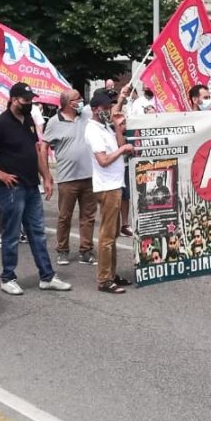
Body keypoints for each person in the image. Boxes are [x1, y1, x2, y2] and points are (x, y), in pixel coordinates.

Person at [0, 83, 70, 295]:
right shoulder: (2, 122)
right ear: (14, 99)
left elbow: (34, 151)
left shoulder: (27, 120)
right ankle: (8, 277)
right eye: (26, 100)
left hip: (30, 185)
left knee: (37, 233)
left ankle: (47, 276)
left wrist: (46, 176)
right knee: (11, 235)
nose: (29, 103)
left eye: (31, 100)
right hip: (11, 189)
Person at [86, 91, 135, 293]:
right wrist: (122, 150)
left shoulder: (105, 126)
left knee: (113, 234)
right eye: (105, 108)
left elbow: (121, 146)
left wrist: (117, 126)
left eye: (109, 107)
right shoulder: (93, 130)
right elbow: (104, 160)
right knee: (107, 236)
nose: (109, 111)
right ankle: (104, 279)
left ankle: (111, 274)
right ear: (95, 109)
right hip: (107, 187)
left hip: (115, 184)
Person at [43, 89, 96, 267]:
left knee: (88, 216)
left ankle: (86, 250)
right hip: (67, 178)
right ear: (67, 103)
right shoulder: (53, 122)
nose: (81, 101)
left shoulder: (86, 115)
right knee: (65, 216)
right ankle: (62, 250)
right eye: (77, 99)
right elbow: (43, 148)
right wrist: (46, 175)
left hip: (89, 176)